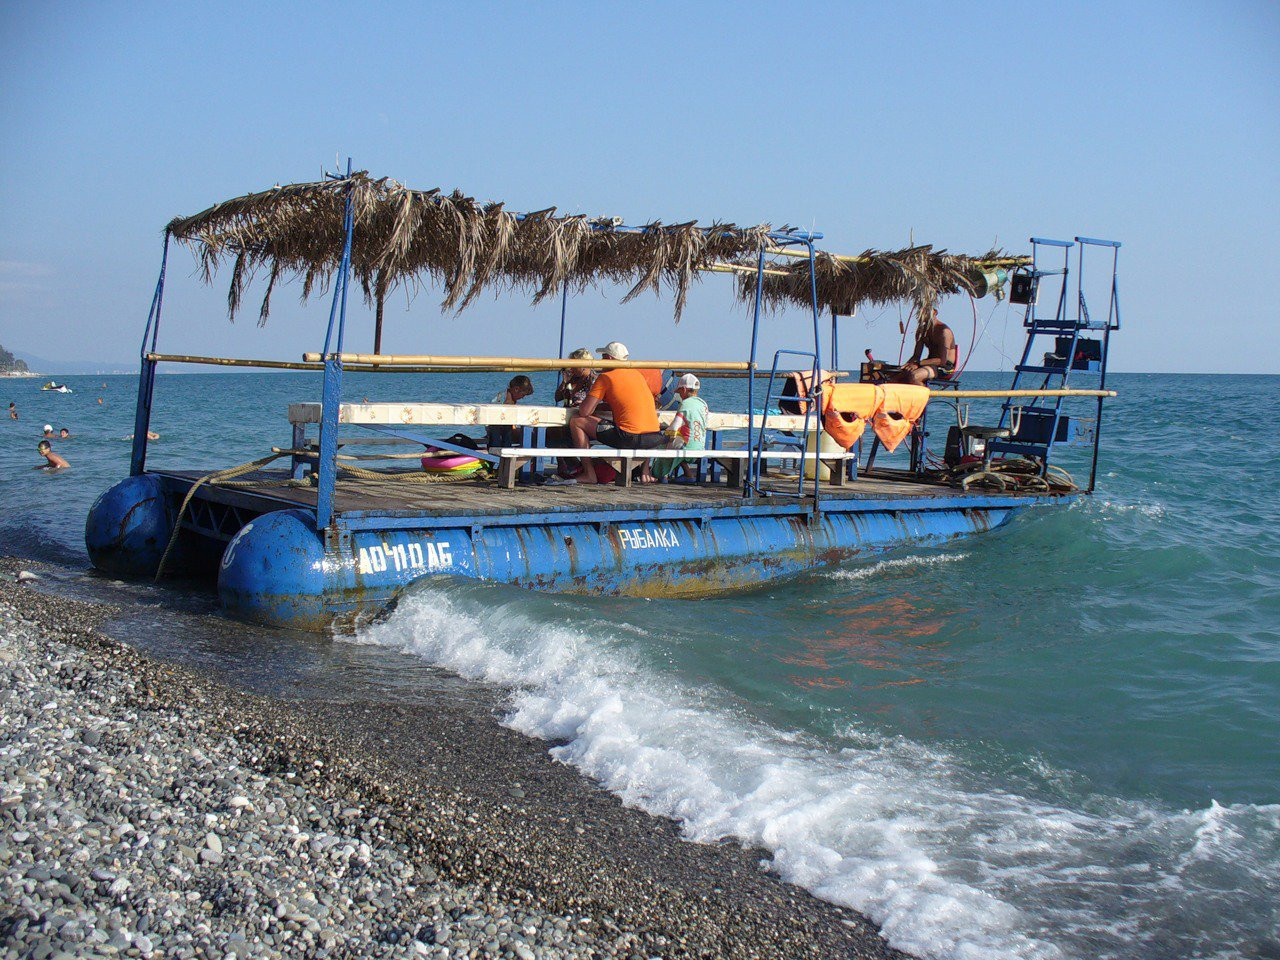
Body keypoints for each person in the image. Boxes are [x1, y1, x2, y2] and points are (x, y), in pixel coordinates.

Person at [569, 340, 664, 484]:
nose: (601, 361)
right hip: (653, 437)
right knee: (640, 425)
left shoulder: (606, 377)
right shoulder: (637, 375)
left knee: (576, 421)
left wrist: (586, 405)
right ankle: (645, 471)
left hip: (629, 437)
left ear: (610, 359)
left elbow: (584, 411)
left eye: (603, 357)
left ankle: (589, 473)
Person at [549, 349, 596, 477]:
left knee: (558, 432)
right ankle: (566, 463)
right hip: (568, 417)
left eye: (573, 364)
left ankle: (570, 463)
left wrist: (582, 403)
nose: (571, 367)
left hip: (584, 419)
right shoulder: (573, 379)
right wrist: (565, 381)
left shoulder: (593, 380)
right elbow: (558, 397)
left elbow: (596, 401)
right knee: (551, 430)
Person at [654, 374, 709, 481]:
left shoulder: (685, 404)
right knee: (680, 439)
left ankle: (660, 475)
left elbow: (674, 427)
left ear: (684, 389)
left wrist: (664, 435)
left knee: (663, 441)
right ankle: (688, 474)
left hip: (686, 447)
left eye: (679, 392)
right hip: (699, 445)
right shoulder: (703, 404)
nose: (679, 395)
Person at [896, 307, 957, 385]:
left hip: (944, 367)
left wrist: (918, 364)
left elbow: (942, 361)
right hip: (927, 363)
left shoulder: (944, 332)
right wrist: (906, 365)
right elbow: (916, 356)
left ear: (935, 313)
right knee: (897, 377)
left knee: (914, 376)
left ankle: (926, 396)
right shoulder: (921, 331)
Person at [486, 375, 534, 449]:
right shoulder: (503, 398)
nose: (523, 397)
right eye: (523, 394)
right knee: (500, 438)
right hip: (495, 427)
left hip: (503, 427)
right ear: (516, 389)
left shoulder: (510, 398)